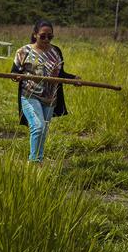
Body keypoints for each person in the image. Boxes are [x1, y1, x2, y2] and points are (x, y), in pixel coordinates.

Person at [11, 20, 79, 163]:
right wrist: (16, 77)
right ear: (35, 35)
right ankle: (33, 162)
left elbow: (60, 74)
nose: (46, 39)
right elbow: (14, 72)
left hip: (50, 98)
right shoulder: (23, 52)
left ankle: (39, 160)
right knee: (38, 126)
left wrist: (73, 79)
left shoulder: (56, 51)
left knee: (43, 131)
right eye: (43, 36)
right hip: (30, 95)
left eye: (50, 36)